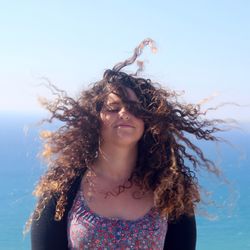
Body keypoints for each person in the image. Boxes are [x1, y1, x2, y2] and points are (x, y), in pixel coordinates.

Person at [28, 38, 223, 250]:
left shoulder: (171, 190)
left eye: (135, 108)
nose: (125, 114)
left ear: (148, 120)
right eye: (113, 108)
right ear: (95, 118)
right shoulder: (63, 188)